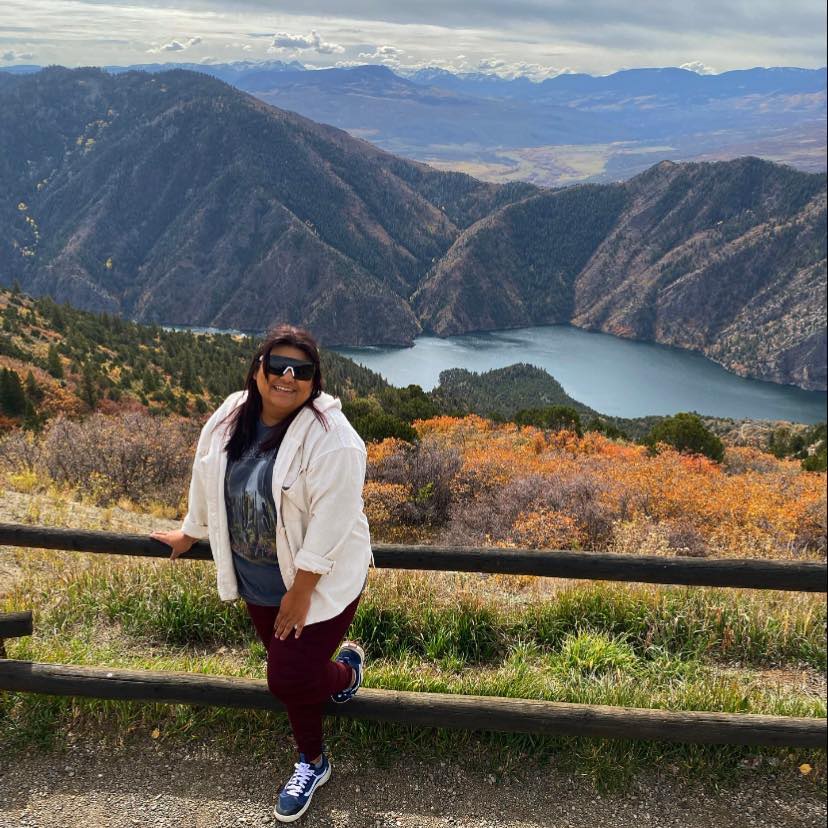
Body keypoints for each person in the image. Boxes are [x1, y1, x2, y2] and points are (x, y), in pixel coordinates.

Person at [151, 324, 372, 823]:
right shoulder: (232, 415)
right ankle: (332, 698)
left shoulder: (335, 441)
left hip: (319, 582)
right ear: (258, 370)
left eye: (302, 370)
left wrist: (302, 590)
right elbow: (205, 473)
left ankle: (319, 746)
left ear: (315, 381)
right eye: (277, 366)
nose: (287, 377)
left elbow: (334, 520)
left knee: (286, 675)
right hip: (256, 577)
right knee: (295, 674)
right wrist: (190, 531)